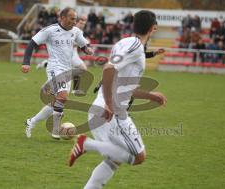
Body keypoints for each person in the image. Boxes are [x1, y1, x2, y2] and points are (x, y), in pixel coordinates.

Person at [68, 10, 167, 189]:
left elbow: (124, 87)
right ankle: (87, 144)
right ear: (153, 28)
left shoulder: (124, 42)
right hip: (112, 112)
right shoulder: (135, 46)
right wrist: (108, 102)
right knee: (139, 156)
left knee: (114, 159)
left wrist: (151, 96)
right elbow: (108, 68)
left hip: (103, 109)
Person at [21, 7, 93, 139]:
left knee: (58, 101)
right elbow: (32, 44)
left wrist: (87, 50)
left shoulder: (76, 31)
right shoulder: (50, 30)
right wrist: (26, 62)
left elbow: (83, 45)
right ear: (63, 18)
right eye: (72, 18)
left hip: (67, 69)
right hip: (54, 68)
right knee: (63, 97)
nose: (74, 21)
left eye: (75, 19)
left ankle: (32, 121)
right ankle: (55, 129)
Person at [36, 15, 89, 95]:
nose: (82, 25)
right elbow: (68, 43)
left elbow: (81, 44)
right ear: (76, 23)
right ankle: (74, 89)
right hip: (69, 54)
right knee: (81, 69)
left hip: (74, 54)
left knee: (77, 70)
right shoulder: (71, 29)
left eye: (83, 24)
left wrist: (85, 44)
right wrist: (81, 44)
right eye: (80, 23)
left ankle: (48, 83)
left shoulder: (79, 32)